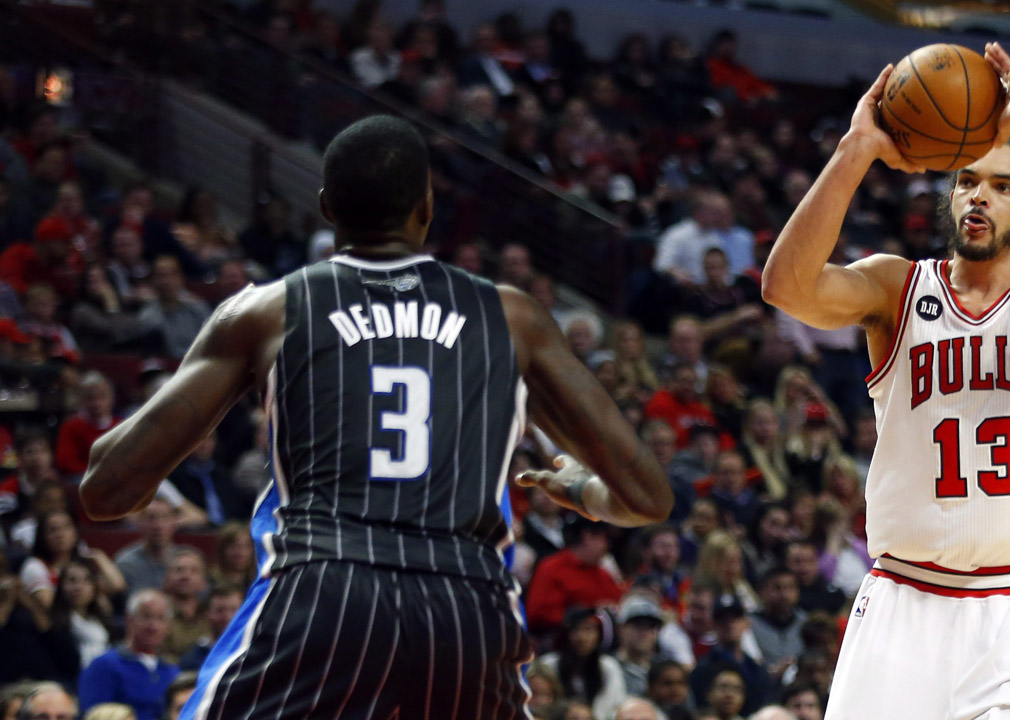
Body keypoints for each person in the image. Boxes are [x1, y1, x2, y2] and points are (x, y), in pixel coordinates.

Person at [79, 115, 672, 720]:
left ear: (325, 207)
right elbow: (647, 496)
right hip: (465, 602)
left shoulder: (266, 311)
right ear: (427, 206)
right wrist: (583, 489)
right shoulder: (512, 316)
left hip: (325, 588)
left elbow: (106, 489)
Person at [760, 43, 1010, 718]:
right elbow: (786, 286)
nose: (978, 197)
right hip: (902, 599)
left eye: (1003, 187)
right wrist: (856, 149)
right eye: (968, 180)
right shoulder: (895, 288)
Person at [78, 590, 181, 720]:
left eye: (161, 618)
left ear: (168, 626)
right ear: (129, 620)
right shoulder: (103, 666)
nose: (153, 626)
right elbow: (94, 714)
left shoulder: (172, 671)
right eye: (146, 616)